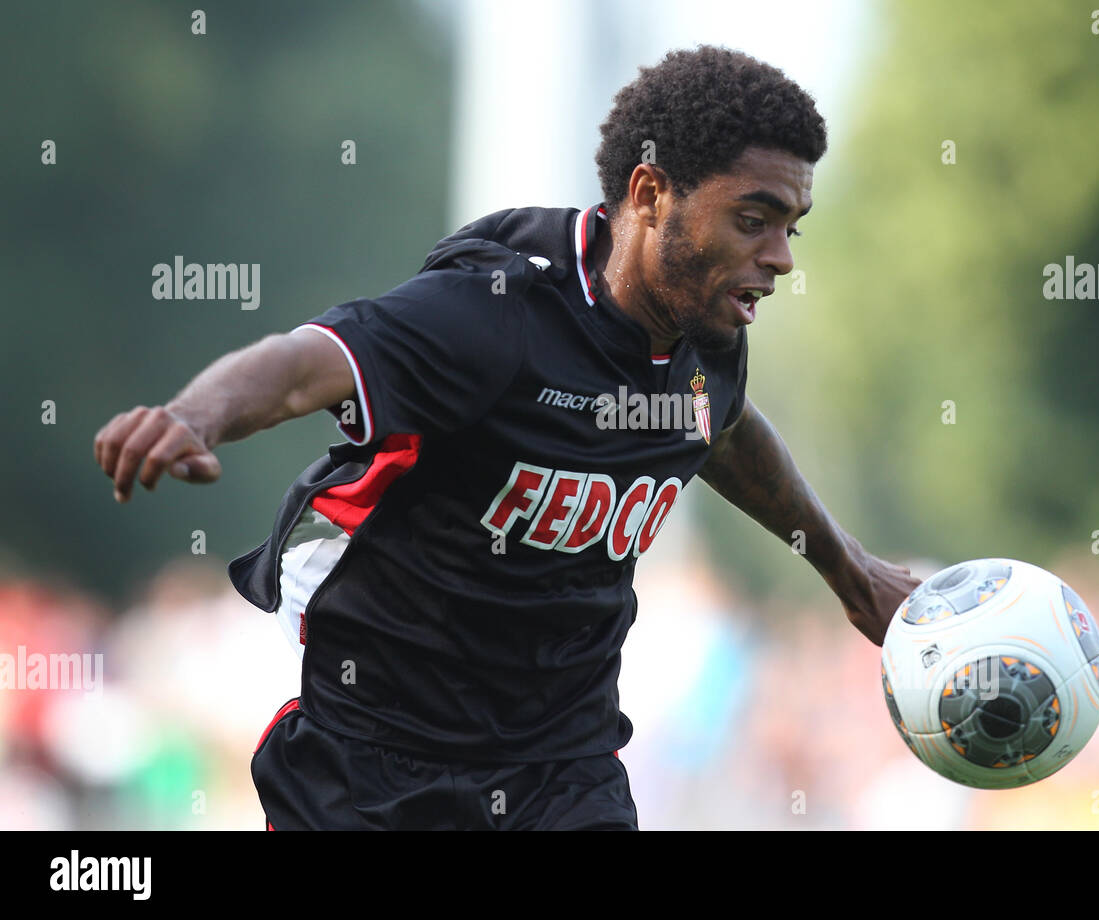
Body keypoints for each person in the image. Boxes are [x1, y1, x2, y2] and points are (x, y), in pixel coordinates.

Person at [92, 45, 920, 830]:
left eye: (791, 227)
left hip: (561, 769)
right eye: (753, 219)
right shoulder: (494, 314)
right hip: (372, 762)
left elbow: (724, 429)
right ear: (650, 192)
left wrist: (850, 572)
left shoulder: (708, 336)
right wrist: (192, 417)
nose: (778, 256)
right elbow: (308, 364)